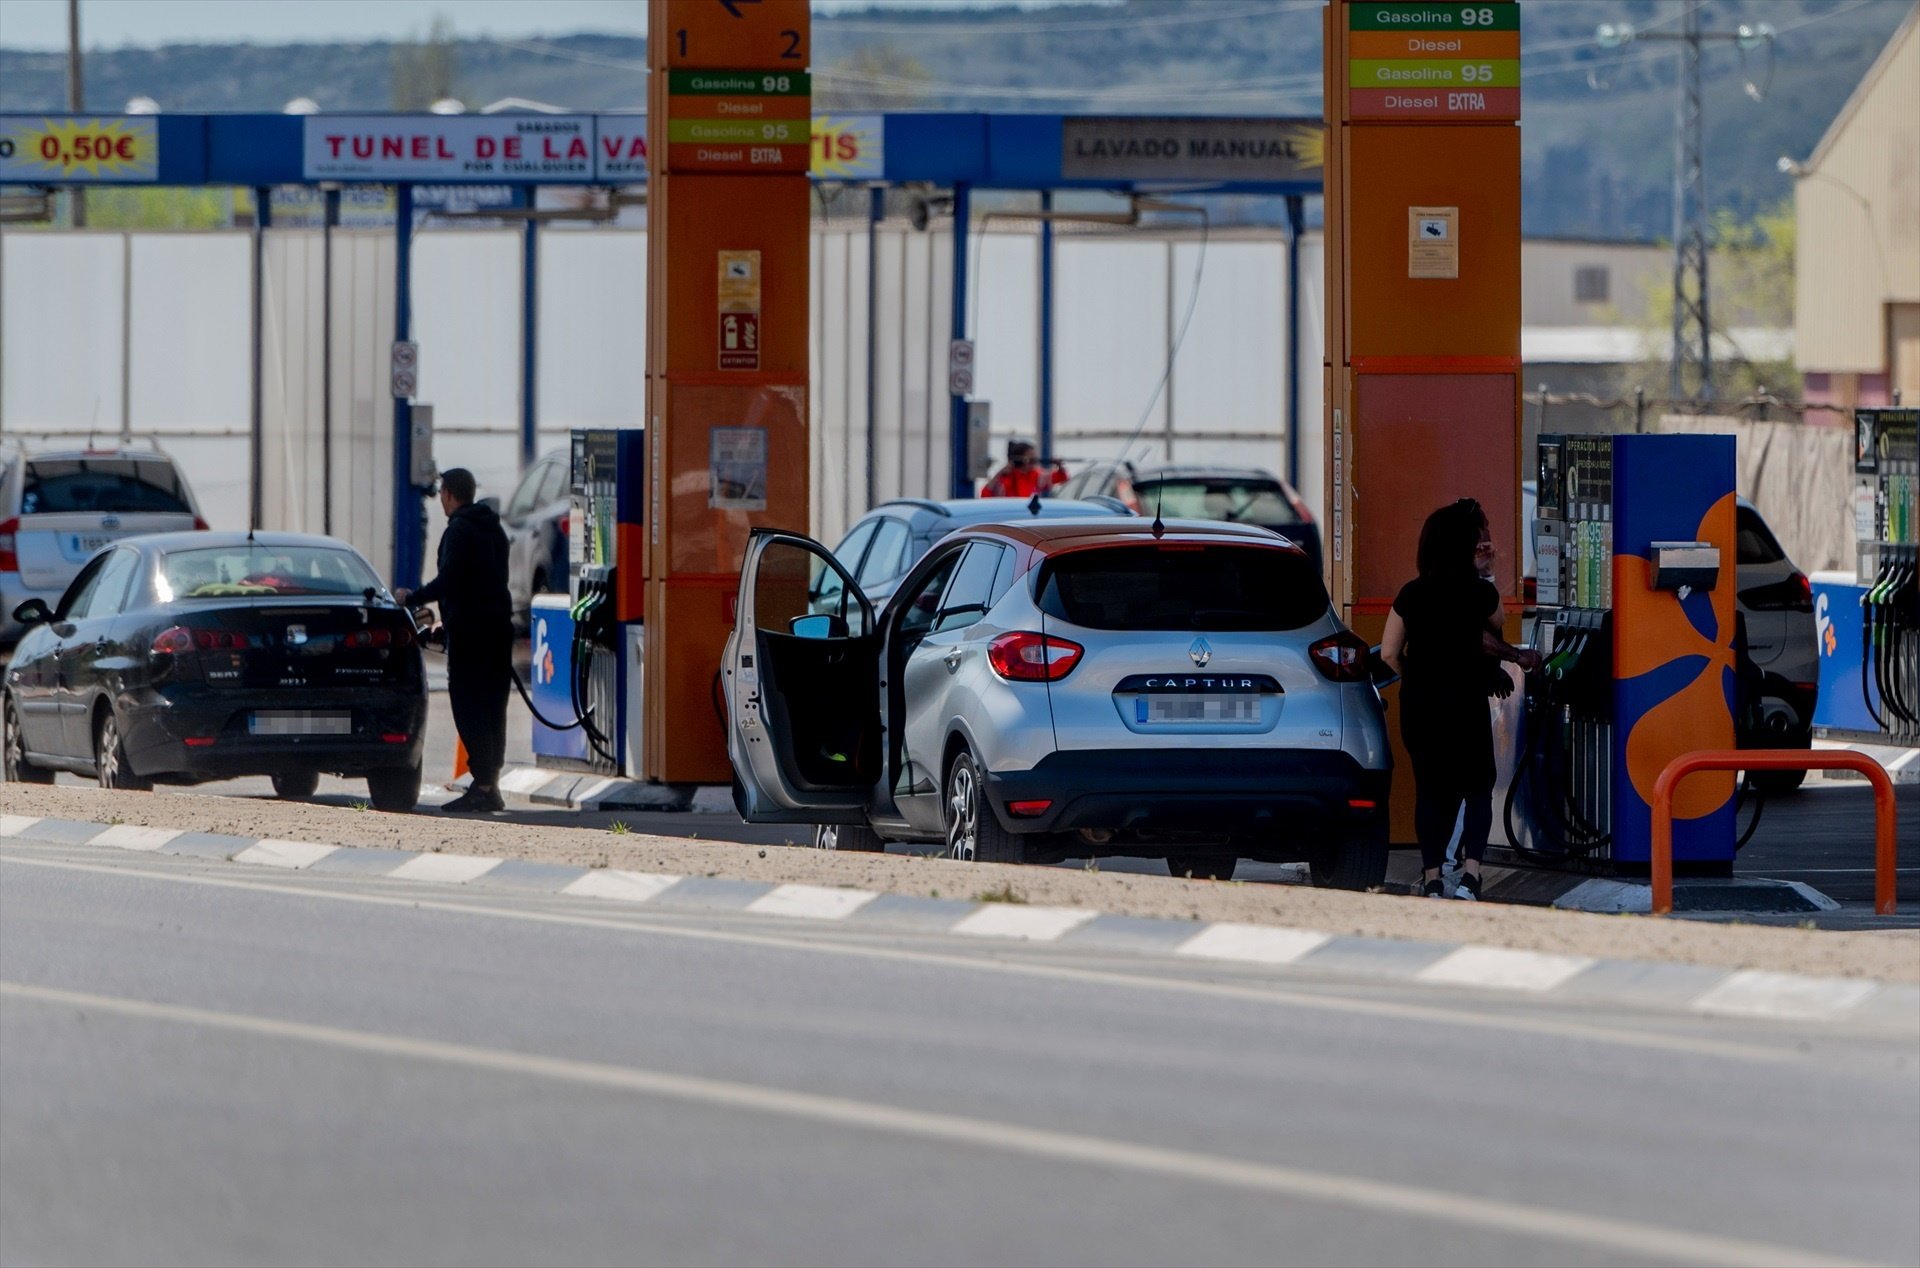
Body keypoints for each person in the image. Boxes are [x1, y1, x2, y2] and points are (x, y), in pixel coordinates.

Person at [1380, 499, 1541, 900]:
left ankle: (1432, 878)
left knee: (1428, 790)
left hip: (1419, 704)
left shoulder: (1411, 594)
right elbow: (1498, 627)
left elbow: (1387, 652)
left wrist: (1414, 676)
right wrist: (1486, 575)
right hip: (1465, 702)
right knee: (1477, 787)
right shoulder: (1477, 594)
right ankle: (1471, 876)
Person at [396, 469, 512, 814]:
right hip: (497, 631)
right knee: (493, 708)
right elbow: (483, 583)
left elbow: (451, 580)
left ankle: (484, 786)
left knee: (469, 706)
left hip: (473, 636)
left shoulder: (459, 530)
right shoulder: (494, 529)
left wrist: (412, 597)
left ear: (447, 494)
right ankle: (489, 783)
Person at [980, 438, 1067, 499]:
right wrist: (998, 474)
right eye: (1030, 458)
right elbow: (985, 495)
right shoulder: (1005, 478)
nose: (1034, 462)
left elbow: (1062, 478)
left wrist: (1060, 466)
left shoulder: (1037, 475)